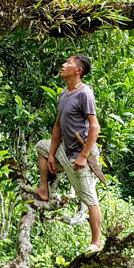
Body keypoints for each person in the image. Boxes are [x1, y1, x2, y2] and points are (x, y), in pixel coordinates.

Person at [34, 54, 102, 253]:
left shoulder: (85, 94)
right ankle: (44, 189)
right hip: (65, 150)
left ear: (78, 71)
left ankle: (96, 243)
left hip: (81, 155)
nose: (64, 65)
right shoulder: (64, 94)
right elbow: (57, 127)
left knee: (89, 197)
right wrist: (53, 154)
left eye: (69, 63)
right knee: (41, 146)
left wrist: (83, 157)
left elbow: (94, 127)